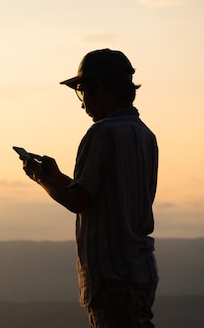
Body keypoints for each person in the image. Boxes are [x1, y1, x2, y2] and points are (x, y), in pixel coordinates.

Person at [20, 49, 159, 327]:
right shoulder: (145, 135)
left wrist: (39, 177)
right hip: (139, 268)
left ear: (100, 88)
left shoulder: (102, 133)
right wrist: (57, 176)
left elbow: (77, 201)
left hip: (110, 273)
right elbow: (99, 195)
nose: (83, 104)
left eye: (83, 91)